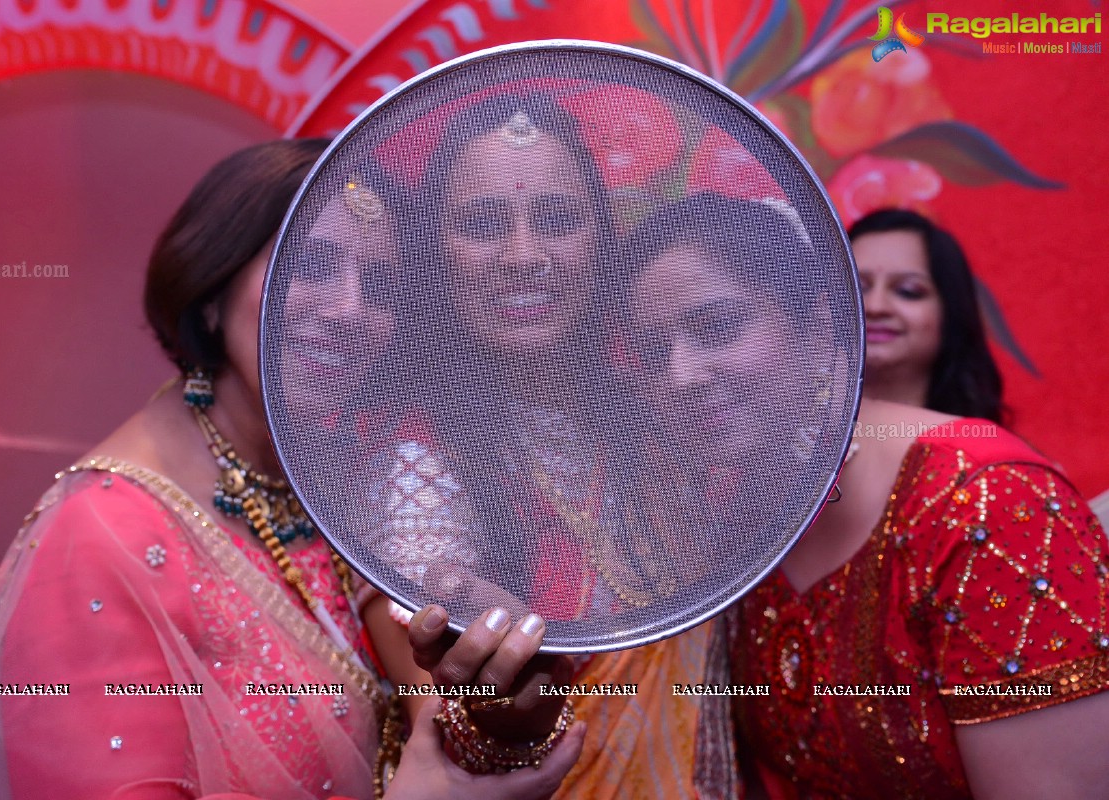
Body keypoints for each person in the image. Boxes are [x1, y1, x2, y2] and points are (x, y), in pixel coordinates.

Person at [0, 140, 582, 800]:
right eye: (311, 267)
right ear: (211, 293)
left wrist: (507, 719)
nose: (349, 309)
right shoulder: (98, 538)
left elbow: (433, 747)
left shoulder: (333, 487)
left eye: (381, 286)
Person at [618, 199, 1109, 798]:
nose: (681, 374)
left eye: (718, 327)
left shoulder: (989, 501)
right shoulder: (738, 512)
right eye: (651, 350)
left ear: (821, 320)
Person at [356, 95, 739, 800]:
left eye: (558, 220)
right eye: (481, 225)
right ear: (435, 254)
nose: (525, 257)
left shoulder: (657, 407)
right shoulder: (420, 468)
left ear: (602, 239)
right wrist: (509, 714)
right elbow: (447, 744)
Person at [849, 208, 1005, 424]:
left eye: (908, 291)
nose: (875, 307)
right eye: (856, 288)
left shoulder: (988, 453)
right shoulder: (789, 445)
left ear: (950, 313)